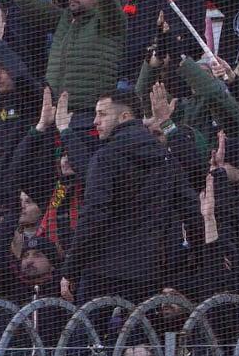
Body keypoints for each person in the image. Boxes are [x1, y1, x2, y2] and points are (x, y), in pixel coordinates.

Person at [61, 93, 185, 302]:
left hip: (102, 271)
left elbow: (93, 215)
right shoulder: (165, 158)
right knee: (140, 332)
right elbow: (188, 205)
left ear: (124, 116)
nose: (95, 121)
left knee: (88, 333)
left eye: (102, 114)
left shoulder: (106, 156)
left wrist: (71, 268)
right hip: (148, 271)